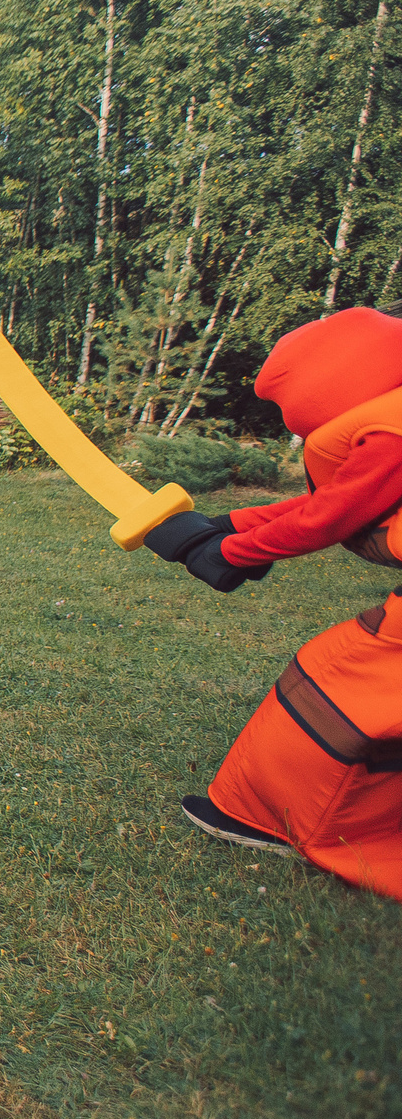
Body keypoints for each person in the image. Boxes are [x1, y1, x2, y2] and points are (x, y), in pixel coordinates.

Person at [152, 306, 402, 898]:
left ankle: (263, 815)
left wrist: (233, 553)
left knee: (336, 685)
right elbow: (330, 504)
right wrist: (220, 525)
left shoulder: (391, 432)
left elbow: (331, 516)